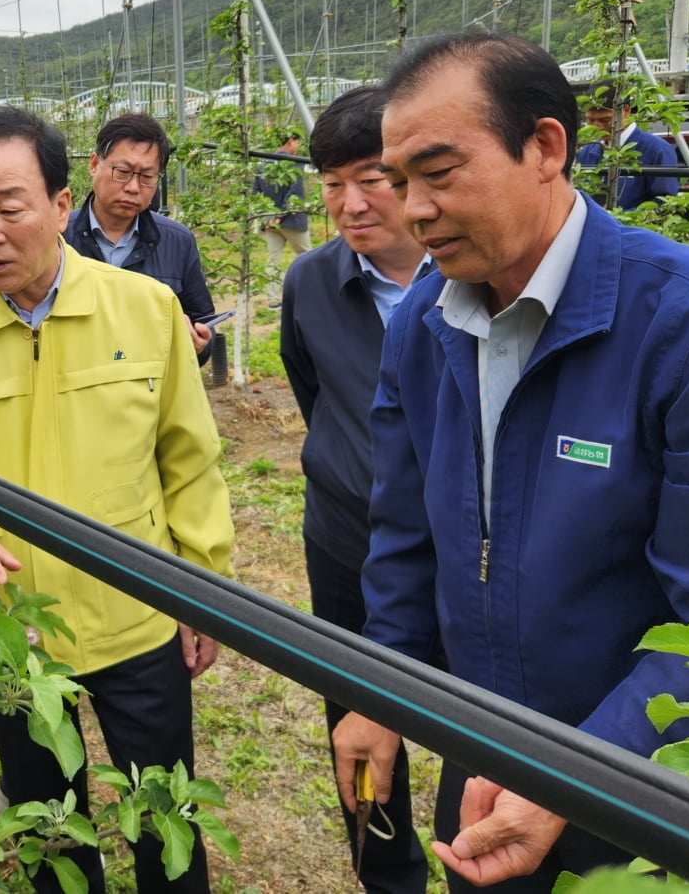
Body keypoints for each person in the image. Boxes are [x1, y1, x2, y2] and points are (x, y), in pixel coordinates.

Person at [331, 31, 689, 892]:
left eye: (439, 174)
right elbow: (404, 535)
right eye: (400, 182)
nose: (412, 210)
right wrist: (379, 689)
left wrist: (578, 775)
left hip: (651, 787)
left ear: (547, 147)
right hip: (481, 761)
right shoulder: (425, 322)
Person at [0, 106, 234, 894]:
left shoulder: (144, 311)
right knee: (47, 829)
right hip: (17, 640)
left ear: (61, 203)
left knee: (164, 817)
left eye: (9, 207)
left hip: (135, 614)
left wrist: (202, 587)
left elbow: (188, 457)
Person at [280, 85, 434, 894]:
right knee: (358, 712)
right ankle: (387, 868)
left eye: (370, 178)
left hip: (461, 551)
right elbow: (317, 397)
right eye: (331, 184)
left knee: (488, 728)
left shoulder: (474, 276)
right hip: (347, 542)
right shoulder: (311, 284)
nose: (347, 204)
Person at [63, 112, 217, 364]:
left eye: (147, 177)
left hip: (150, 389)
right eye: (122, 172)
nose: (133, 187)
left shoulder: (177, 241)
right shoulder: (58, 237)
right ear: (94, 165)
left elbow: (204, 320)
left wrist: (200, 345)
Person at [575, 77, 679, 210]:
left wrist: (621, 220)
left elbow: (664, 202)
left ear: (626, 111)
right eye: (590, 121)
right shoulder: (587, 152)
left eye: (606, 120)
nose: (597, 127)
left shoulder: (657, 150)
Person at [254, 131, 310, 304]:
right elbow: (295, 193)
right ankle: (310, 294)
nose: (297, 147)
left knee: (273, 260)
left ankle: (272, 299)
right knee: (307, 255)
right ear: (290, 141)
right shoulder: (295, 163)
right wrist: (281, 216)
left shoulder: (262, 164)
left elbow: (255, 194)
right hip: (291, 219)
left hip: (269, 220)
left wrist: (268, 217)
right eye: (297, 143)